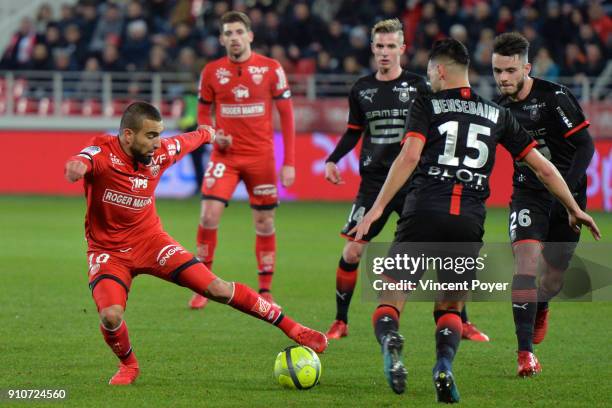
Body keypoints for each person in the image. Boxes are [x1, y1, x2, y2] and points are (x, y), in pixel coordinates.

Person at [352, 39, 599, 402]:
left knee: (392, 295)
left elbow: (408, 156)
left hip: (422, 211)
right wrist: (575, 207)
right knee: (450, 307)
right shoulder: (498, 113)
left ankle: (391, 339)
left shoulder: (427, 102)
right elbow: (544, 169)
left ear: (438, 71)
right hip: (467, 222)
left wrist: (375, 209)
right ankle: (444, 366)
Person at [64, 101, 326, 385]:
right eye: (150, 136)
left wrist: (208, 133)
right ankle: (129, 365)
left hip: (151, 242)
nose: (157, 143)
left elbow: (190, 139)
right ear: (128, 136)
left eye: (159, 134)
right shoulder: (102, 154)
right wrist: (77, 165)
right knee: (111, 316)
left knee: (218, 288)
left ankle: (294, 328)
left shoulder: (161, 153)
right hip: (108, 252)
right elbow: (84, 158)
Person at [324, 18, 488, 343]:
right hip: (374, 183)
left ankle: (461, 321)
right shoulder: (361, 89)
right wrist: (332, 158)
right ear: (372, 49)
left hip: (415, 182)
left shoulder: (420, 87)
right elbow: (354, 132)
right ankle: (340, 321)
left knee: (445, 250)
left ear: (402, 48)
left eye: (391, 46)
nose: (385, 53)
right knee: (353, 252)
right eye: (379, 46)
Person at [491, 32, 595, 377]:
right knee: (525, 262)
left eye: (510, 70)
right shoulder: (501, 109)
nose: (503, 78)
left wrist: (568, 192)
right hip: (528, 194)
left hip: (568, 198)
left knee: (551, 279)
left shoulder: (555, 98)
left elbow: (585, 147)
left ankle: (542, 305)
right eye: (497, 71)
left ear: (526, 68)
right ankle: (525, 353)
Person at [189, 11, 295, 310]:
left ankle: (266, 288)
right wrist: (211, 134)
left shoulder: (271, 69)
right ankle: (203, 285)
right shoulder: (211, 71)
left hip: (261, 157)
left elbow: (287, 116)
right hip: (226, 156)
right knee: (208, 214)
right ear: (222, 39)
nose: (234, 37)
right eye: (228, 33)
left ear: (250, 35)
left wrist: (289, 162)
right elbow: (201, 114)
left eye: (239, 32)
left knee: (264, 220)